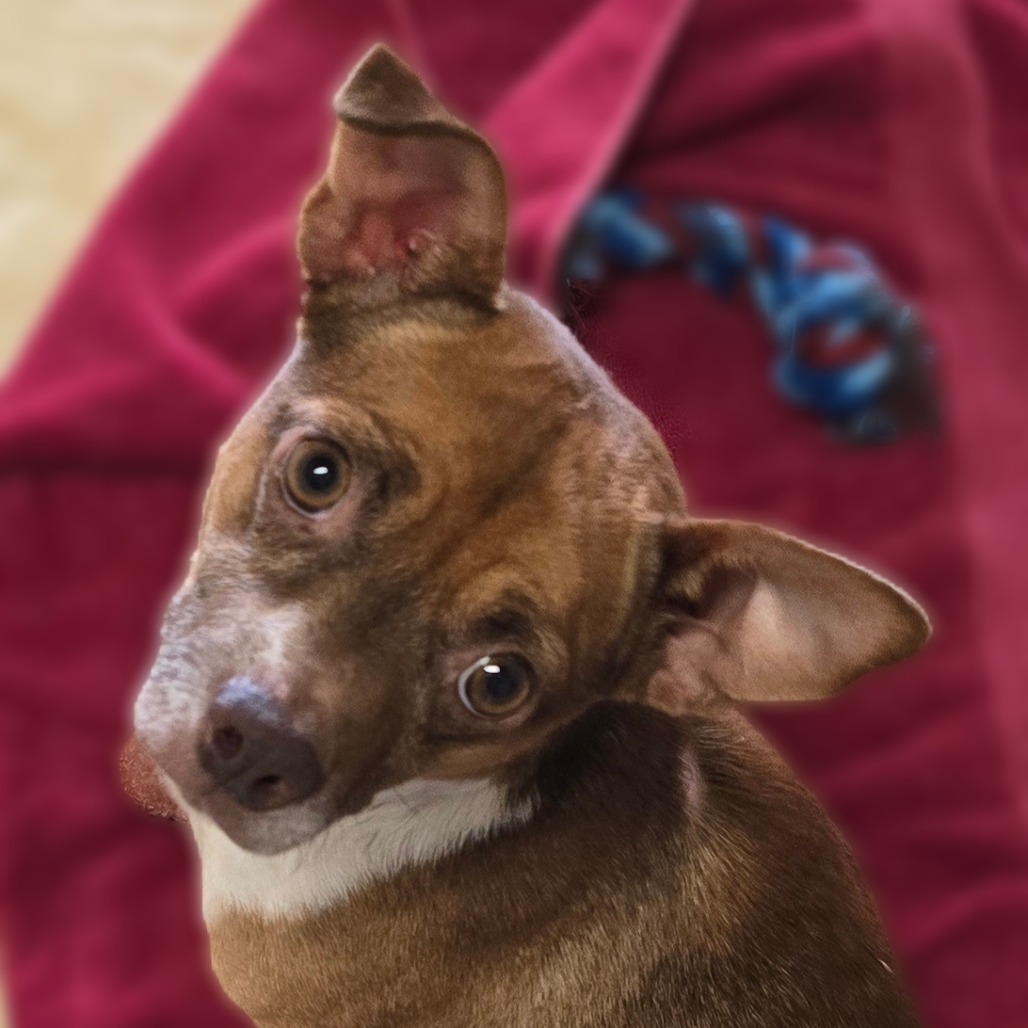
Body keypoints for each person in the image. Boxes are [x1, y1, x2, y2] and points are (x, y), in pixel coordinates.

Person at [1, 0, 1026, 1024]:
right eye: (317, 479)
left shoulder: (330, 960)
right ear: (379, 236)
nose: (281, 702)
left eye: (492, 680)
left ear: (682, 649)